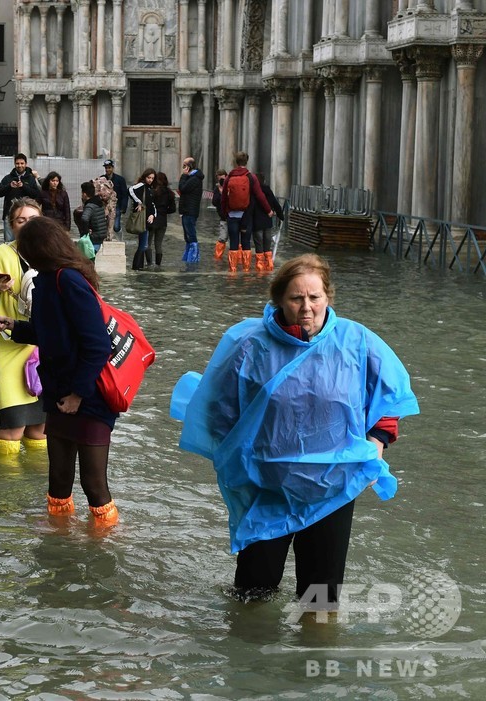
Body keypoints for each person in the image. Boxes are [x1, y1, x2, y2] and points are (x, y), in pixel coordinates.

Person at [171, 254, 419, 605]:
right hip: (265, 487)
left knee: (321, 597)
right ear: (279, 300)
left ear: (328, 297)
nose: (307, 307)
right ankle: (251, 654)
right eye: (296, 298)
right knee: (252, 593)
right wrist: (238, 463)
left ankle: (312, 654)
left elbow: (388, 397)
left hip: (332, 487)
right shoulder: (250, 345)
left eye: (314, 297)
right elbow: (219, 409)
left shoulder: (356, 342)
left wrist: (377, 440)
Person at [0, 217, 119, 524]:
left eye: (23, 247)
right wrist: (16, 327)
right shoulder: (45, 281)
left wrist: (78, 395)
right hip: (58, 392)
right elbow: (54, 332)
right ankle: (60, 541)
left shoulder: (68, 280)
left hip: (89, 396)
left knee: (93, 483)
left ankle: (104, 544)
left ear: (38, 250)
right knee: (58, 481)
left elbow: (98, 346)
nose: (20, 253)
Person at [0, 198, 47, 459]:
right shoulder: (2, 254)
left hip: (43, 349)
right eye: (21, 220)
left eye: (33, 220)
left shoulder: (51, 254)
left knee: (40, 429)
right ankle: (5, 490)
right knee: (13, 425)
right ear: (12, 225)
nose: (28, 226)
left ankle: (38, 485)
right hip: (7, 346)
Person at [220, 151, 275, 273]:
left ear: (236, 162)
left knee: (234, 242)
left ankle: (233, 270)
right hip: (246, 215)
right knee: (246, 242)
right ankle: (245, 269)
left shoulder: (229, 177)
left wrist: (224, 213)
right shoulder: (251, 177)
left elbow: (223, 198)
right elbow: (260, 196)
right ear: (247, 161)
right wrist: (269, 210)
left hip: (232, 215)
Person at [0, 154, 41, 242]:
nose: (19, 166)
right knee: (9, 242)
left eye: (22, 163)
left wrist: (23, 186)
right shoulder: (8, 178)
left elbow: (35, 194)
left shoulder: (31, 179)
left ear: (26, 164)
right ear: (14, 164)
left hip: (25, 215)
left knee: (25, 241)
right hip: (9, 214)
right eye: (17, 163)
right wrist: (9, 186)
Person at [249, 172, 285, 273]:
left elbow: (250, 207)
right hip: (267, 223)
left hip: (257, 223)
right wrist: (281, 216)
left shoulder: (253, 192)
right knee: (267, 244)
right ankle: (269, 265)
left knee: (259, 244)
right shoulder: (268, 191)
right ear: (264, 180)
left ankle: (260, 266)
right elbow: (276, 204)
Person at [177, 156, 205, 263]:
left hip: (190, 211)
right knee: (187, 236)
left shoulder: (194, 179)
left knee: (191, 234)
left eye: (184, 165)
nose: (183, 167)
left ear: (188, 167)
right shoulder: (191, 178)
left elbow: (182, 188)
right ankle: (189, 257)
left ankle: (193, 258)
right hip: (186, 210)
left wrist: (183, 176)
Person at [128, 169, 157, 270]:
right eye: (149, 177)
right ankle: (137, 266)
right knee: (143, 244)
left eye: (152, 178)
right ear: (145, 177)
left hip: (147, 219)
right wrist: (139, 202)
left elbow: (153, 204)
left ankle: (138, 266)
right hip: (142, 218)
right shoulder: (141, 185)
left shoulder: (150, 188)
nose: (150, 180)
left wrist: (153, 215)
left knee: (143, 244)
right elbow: (130, 190)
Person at [149, 172, 177, 268]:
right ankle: (158, 264)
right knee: (158, 244)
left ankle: (149, 263)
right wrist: (164, 212)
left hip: (151, 220)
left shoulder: (153, 191)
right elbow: (173, 209)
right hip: (162, 221)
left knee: (148, 243)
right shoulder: (170, 193)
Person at [77, 181, 108, 253]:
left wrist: (86, 232)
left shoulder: (90, 206)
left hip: (93, 238)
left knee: (88, 261)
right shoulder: (98, 203)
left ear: (84, 194)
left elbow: (84, 219)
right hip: (100, 236)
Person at [101, 159, 129, 234]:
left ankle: (119, 233)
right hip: (105, 205)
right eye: (106, 168)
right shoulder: (102, 179)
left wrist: (123, 207)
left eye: (109, 167)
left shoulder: (120, 179)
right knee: (105, 224)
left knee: (116, 226)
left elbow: (124, 194)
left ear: (113, 168)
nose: (107, 169)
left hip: (116, 205)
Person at [212, 169, 229, 261]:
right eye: (220, 180)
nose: (222, 181)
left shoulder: (231, 186)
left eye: (223, 179)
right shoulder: (216, 189)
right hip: (223, 217)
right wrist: (219, 192)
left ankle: (237, 259)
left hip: (233, 216)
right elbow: (214, 202)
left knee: (237, 240)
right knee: (222, 238)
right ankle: (218, 258)